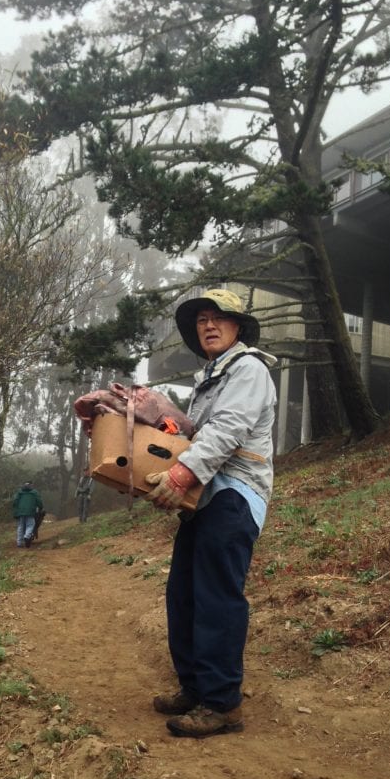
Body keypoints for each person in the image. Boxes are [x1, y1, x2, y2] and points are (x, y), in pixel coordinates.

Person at [145, 288, 277, 738]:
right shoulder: (211, 378)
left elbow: (227, 430)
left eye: (220, 317)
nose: (209, 325)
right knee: (184, 593)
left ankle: (222, 703)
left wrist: (181, 476)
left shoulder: (249, 369)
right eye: (202, 318)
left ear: (239, 327)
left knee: (217, 597)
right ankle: (195, 687)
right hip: (205, 498)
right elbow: (199, 432)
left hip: (234, 495)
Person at [13, 481, 44, 548]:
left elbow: (15, 501)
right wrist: (41, 507)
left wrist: (16, 509)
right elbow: (39, 501)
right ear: (31, 486)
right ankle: (27, 537)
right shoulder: (34, 492)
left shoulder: (19, 492)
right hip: (30, 511)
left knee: (20, 527)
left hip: (20, 512)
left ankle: (19, 543)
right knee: (30, 525)